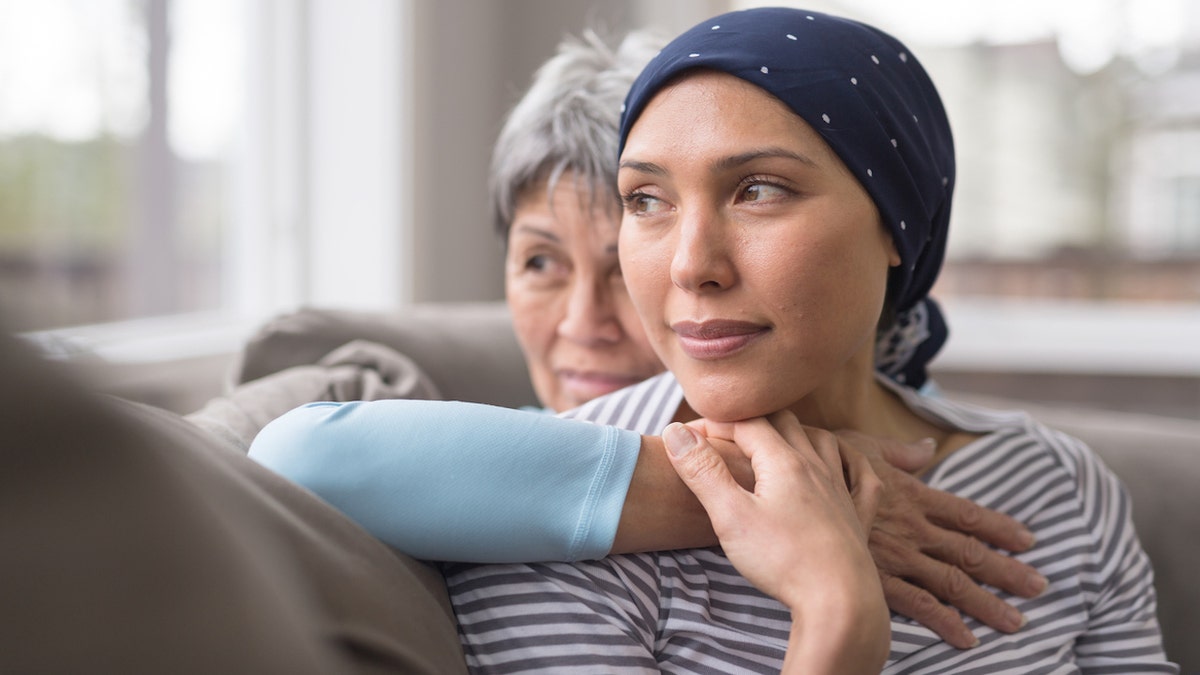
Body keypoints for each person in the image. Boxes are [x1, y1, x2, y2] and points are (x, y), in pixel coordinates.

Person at [421, 8, 1173, 671]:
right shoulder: (550, 522)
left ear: (894, 225)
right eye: (646, 200)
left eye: (758, 190)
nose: (690, 265)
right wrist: (835, 619)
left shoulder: (1061, 485)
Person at [251, 26, 1047, 651]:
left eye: (756, 193)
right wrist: (773, 494)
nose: (581, 322)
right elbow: (297, 457)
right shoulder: (505, 498)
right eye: (539, 261)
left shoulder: (1019, 478)